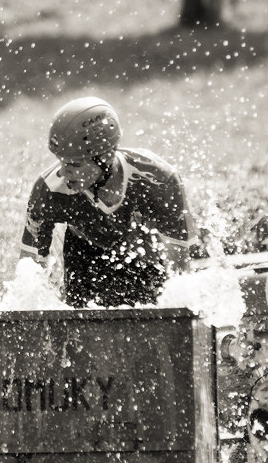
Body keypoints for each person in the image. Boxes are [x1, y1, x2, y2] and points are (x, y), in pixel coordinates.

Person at [19, 96, 197, 308]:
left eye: (74, 164)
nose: (63, 173)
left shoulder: (158, 179)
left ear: (105, 158)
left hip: (143, 254)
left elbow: (180, 270)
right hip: (84, 256)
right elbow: (28, 274)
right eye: (61, 161)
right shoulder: (48, 190)